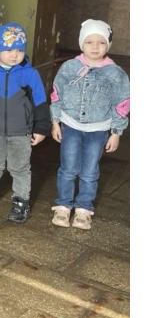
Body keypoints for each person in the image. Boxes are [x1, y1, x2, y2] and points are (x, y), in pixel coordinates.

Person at [49, 19, 129, 230]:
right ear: (81, 43)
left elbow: (122, 103)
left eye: (101, 42)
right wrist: (55, 121)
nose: (95, 47)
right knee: (68, 168)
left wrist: (116, 132)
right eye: (90, 41)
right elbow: (57, 94)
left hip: (98, 129)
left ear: (108, 45)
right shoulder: (70, 67)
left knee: (89, 171)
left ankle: (84, 208)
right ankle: (63, 205)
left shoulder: (115, 73)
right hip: (71, 125)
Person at [0, 22, 50, 224]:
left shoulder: (30, 74)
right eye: (9, 49)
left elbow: (40, 102)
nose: (14, 54)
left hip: (21, 132)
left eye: (20, 50)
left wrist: (41, 128)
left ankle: (21, 201)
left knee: (20, 167)